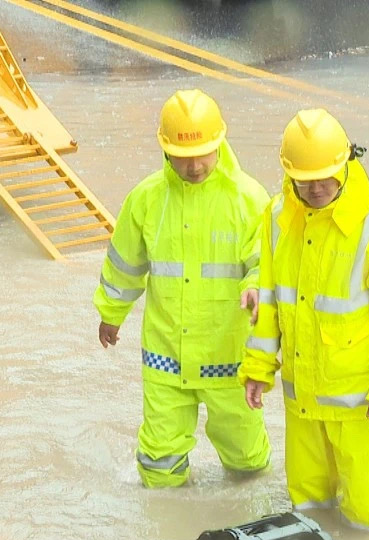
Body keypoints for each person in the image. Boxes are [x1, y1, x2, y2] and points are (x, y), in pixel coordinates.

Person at [240, 109, 369, 532]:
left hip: (361, 408)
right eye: (306, 180)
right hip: (301, 403)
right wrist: (258, 368)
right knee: (307, 516)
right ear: (288, 174)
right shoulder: (275, 218)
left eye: (327, 176)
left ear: (347, 163)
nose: (318, 188)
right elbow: (268, 302)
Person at [95, 89, 271, 488]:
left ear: (221, 143)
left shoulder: (249, 199)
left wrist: (258, 288)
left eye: (204, 153)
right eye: (183, 155)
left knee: (247, 463)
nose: (194, 165)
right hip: (166, 357)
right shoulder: (145, 200)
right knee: (159, 464)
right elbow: (124, 264)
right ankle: (164, 529)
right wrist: (111, 313)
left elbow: (266, 260)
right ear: (164, 149)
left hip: (229, 356)